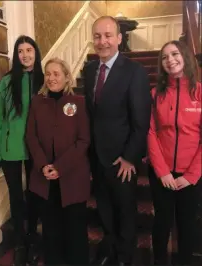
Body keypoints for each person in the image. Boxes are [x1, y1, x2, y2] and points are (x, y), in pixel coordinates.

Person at [83, 16, 151, 265]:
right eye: (98, 36)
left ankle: (125, 257)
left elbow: (141, 120)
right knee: (104, 208)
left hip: (123, 160)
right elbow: (92, 115)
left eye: (108, 35)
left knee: (125, 212)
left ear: (120, 39)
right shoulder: (89, 70)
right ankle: (110, 247)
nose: (103, 42)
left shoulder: (135, 72)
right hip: (97, 158)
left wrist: (130, 157)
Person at [25, 57, 91, 265]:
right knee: (51, 232)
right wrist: (43, 165)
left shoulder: (78, 102)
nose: (51, 78)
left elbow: (83, 140)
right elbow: (31, 137)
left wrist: (60, 167)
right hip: (44, 179)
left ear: (66, 77)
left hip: (72, 178)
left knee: (75, 231)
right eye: (48, 73)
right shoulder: (37, 102)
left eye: (56, 74)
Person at [0, 35, 44, 266]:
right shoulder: (7, 82)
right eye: (20, 51)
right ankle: (20, 240)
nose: (25, 55)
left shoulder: (44, 79)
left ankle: (32, 237)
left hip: (37, 150)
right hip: (10, 149)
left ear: (36, 52)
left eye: (29, 50)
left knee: (35, 194)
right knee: (16, 197)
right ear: (16, 55)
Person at [147, 40, 201, 265]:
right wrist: (162, 172)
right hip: (163, 175)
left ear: (185, 56)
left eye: (175, 54)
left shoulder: (199, 92)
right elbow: (150, 132)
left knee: (188, 227)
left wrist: (191, 175)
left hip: (191, 176)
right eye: (165, 57)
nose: (170, 60)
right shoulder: (155, 94)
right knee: (161, 225)